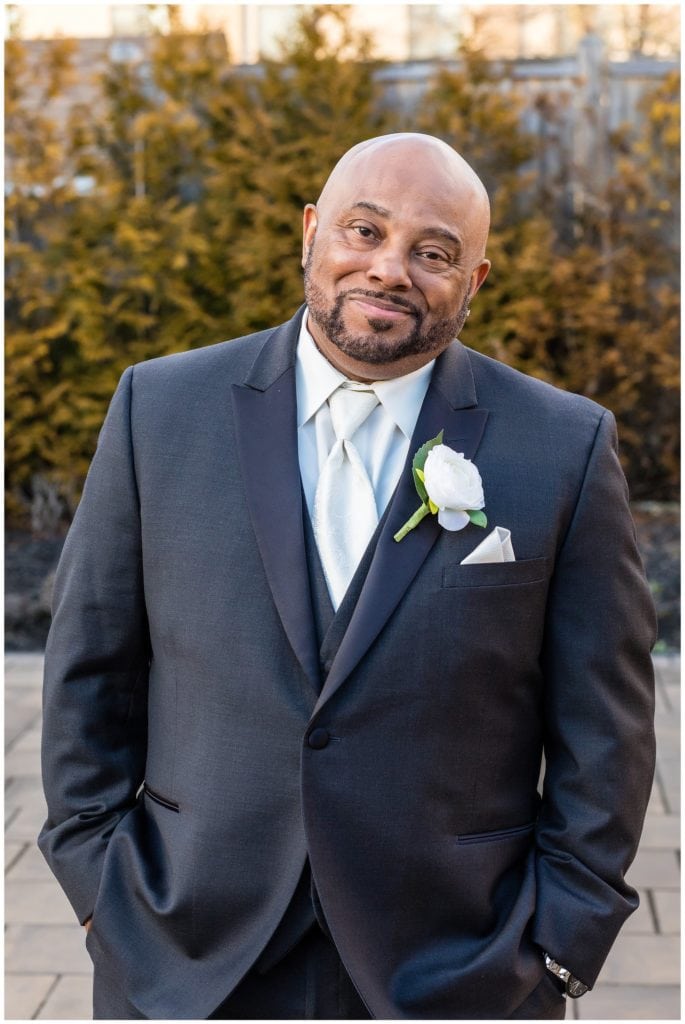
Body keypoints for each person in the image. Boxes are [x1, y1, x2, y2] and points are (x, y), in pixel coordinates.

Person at [39, 133, 656, 1020]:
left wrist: (561, 939)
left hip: (457, 965)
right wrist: (100, 887)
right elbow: (88, 671)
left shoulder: (562, 445)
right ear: (311, 232)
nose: (389, 269)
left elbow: (606, 725)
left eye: (432, 252)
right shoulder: (158, 409)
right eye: (363, 231)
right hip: (187, 955)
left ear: (473, 282)